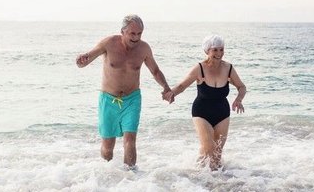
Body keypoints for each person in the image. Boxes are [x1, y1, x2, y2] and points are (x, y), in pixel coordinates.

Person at [76, 14, 173, 168]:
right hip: (108, 100)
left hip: (132, 100)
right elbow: (86, 60)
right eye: (132, 33)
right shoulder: (108, 43)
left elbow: (155, 71)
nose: (136, 37)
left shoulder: (144, 48)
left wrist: (166, 88)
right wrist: (81, 61)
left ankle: (131, 179)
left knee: (130, 141)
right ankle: (108, 174)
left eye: (139, 33)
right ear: (123, 31)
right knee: (108, 146)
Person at [167, 34, 246, 170]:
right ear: (207, 51)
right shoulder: (200, 68)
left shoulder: (228, 68)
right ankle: (198, 175)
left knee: (216, 155)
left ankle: (214, 182)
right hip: (201, 112)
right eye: (215, 50)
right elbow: (182, 85)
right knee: (209, 147)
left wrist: (238, 99)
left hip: (222, 113)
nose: (219, 53)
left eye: (221, 49)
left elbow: (241, 87)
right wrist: (171, 93)